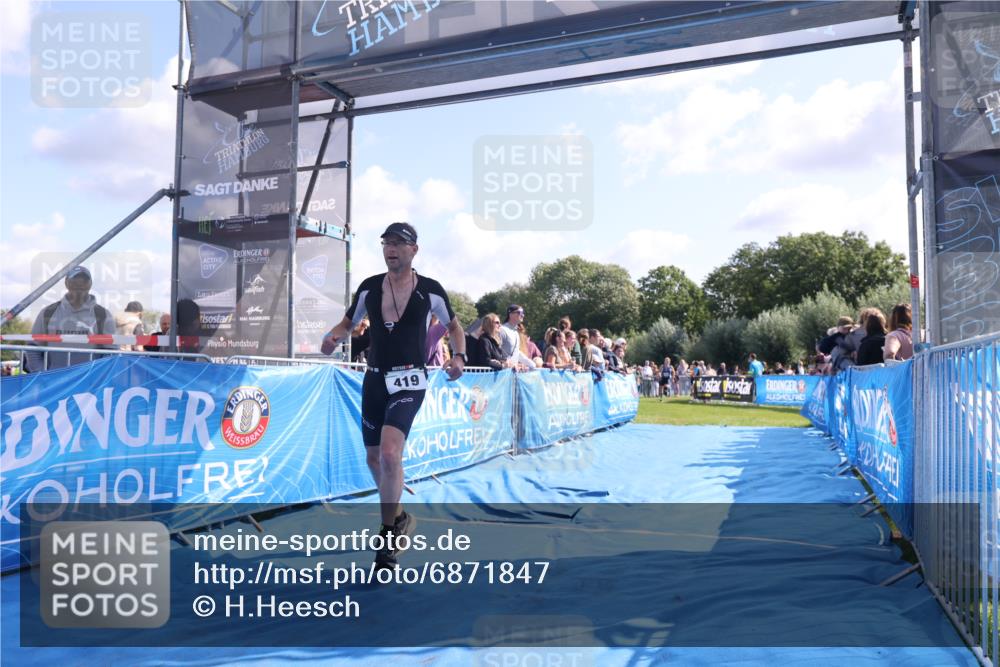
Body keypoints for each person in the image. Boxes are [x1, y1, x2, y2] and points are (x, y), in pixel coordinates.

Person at [320, 222, 466, 570]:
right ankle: (399, 517)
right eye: (387, 242)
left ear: (414, 250)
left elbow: (455, 327)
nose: (391, 248)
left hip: (410, 380)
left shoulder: (430, 290)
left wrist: (459, 356)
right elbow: (346, 323)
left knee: (389, 453)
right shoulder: (369, 288)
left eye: (400, 243)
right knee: (374, 459)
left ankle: (387, 536)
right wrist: (333, 338)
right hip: (373, 379)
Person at [26, 265, 114, 372]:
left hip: (90, 385)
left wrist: (96, 377)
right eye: (75, 281)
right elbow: (33, 349)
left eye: (84, 281)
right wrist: (42, 376)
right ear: (66, 283)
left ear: (90, 284)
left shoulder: (103, 315)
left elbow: (111, 352)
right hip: (54, 383)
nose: (79, 285)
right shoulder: (48, 313)